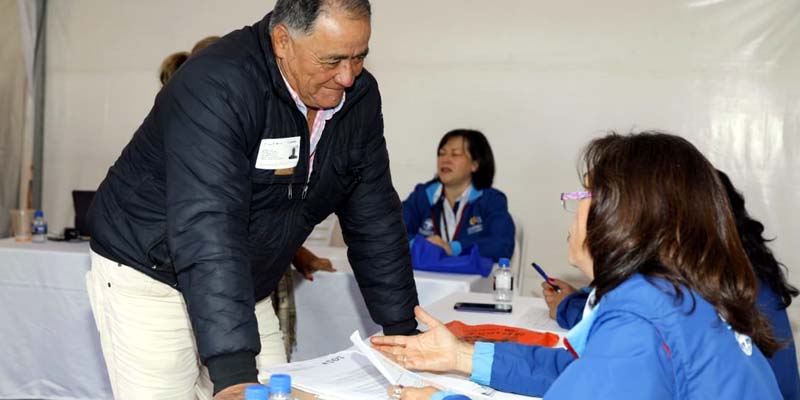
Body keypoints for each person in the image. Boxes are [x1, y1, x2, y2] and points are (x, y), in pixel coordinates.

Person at [85, 1, 420, 399]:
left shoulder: (358, 99)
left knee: (275, 391)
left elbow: (375, 217)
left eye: (359, 57)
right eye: (332, 60)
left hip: (241, 281)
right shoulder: (218, 83)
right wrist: (233, 372)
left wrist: (403, 335)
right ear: (283, 41)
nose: (348, 77)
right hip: (152, 274)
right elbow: (209, 222)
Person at [372, 132, 783, 399]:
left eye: (582, 193)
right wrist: (461, 356)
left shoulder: (641, 319)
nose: (573, 205)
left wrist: (441, 398)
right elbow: (573, 372)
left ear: (622, 215)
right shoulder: (676, 295)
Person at [542, 170, 800, 400]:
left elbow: (643, 331)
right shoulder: (723, 275)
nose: (577, 206)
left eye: (587, 195)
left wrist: (567, 307)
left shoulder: (680, 294)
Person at [159, 34, 338, 362]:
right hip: (207, 274)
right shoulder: (188, 129)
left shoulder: (260, 121)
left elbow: (268, 209)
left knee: (263, 370)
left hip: (257, 276)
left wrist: (299, 254)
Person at [402, 129, 514, 262]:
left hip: (471, 280)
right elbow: (390, 233)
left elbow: (501, 244)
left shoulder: (491, 200)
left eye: (455, 154)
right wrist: (421, 246)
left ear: (474, 165)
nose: (445, 160)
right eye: (442, 154)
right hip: (425, 278)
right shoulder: (423, 196)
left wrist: (453, 248)